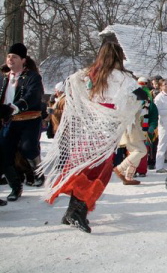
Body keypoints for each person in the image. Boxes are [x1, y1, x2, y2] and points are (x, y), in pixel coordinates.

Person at [42, 41, 146, 233]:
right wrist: (126, 108)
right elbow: (141, 94)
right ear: (118, 56)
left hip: (89, 127)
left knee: (84, 166)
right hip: (106, 129)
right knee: (97, 170)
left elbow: (68, 83)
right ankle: (77, 212)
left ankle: (72, 211)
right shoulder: (122, 77)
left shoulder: (89, 73)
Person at [0, 43, 45, 202]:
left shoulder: (32, 77)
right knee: (4, 153)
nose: (10, 59)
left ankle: (38, 173)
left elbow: (33, 95)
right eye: (9, 56)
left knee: (28, 148)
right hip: (9, 121)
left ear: (23, 60)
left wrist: (14, 107)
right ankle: (15, 187)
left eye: (14, 57)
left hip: (29, 120)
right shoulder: (3, 77)